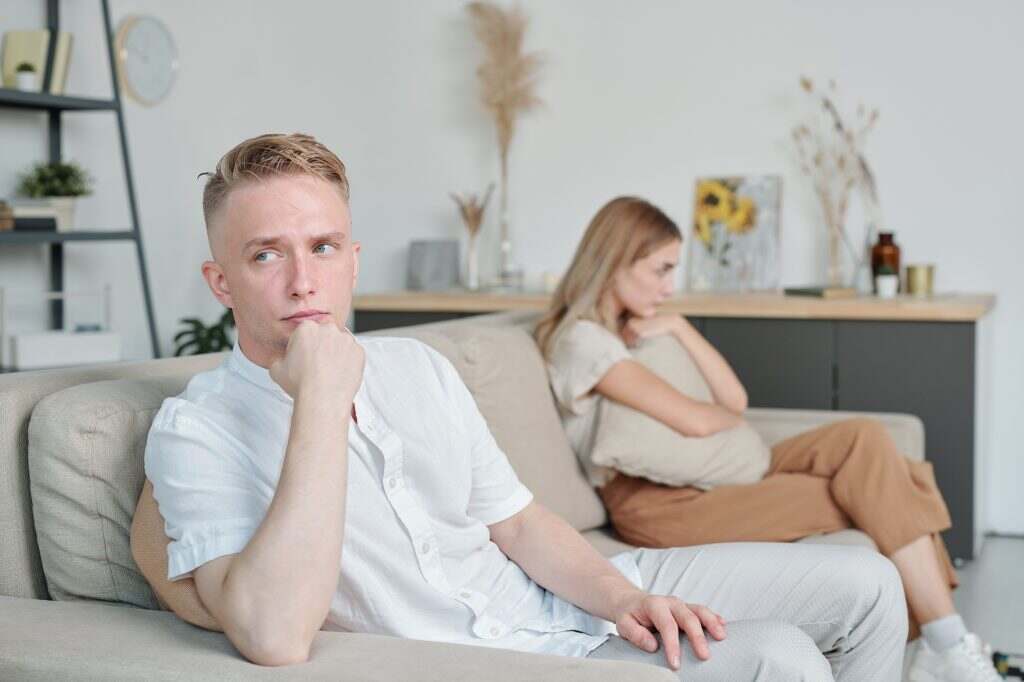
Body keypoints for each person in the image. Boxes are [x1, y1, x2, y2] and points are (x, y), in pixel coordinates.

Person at [132, 133, 909, 681]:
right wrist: (321, 399)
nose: (303, 281)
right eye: (267, 253)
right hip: (496, 656)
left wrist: (626, 598)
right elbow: (272, 636)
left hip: (573, 592)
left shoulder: (417, 366)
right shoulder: (197, 431)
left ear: (353, 262)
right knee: (783, 658)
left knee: (870, 582)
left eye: (324, 247)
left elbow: (519, 522)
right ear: (221, 282)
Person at [535, 195, 1001, 682]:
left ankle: (941, 646)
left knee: (866, 439)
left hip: (706, 471)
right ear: (613, 262)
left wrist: (679, 327)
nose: (669, 287)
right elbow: (696, 420)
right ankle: (945, 644)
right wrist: (724, 422)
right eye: (660, 270)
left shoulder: (633, 331)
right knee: (880, 488)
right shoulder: (581, 342)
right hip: (661, 504)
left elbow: (734, 401)